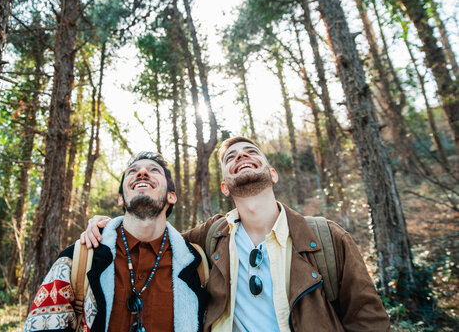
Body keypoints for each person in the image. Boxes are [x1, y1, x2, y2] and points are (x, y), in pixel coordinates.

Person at [83, 136, 391, 331]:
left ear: (273, 173)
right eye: (230, 158)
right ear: (225, 186)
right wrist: (107, 227)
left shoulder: (326, 238)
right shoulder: (211, 236)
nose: (240, 156)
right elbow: (154, 234)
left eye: (250, 152)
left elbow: (368, 320)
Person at [24, 152, 207, 332]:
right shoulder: (79, 258)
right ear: (121, 198)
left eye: (154, 170)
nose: (142, 173)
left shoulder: (197, 268)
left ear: (171, 196)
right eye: (133, 171)